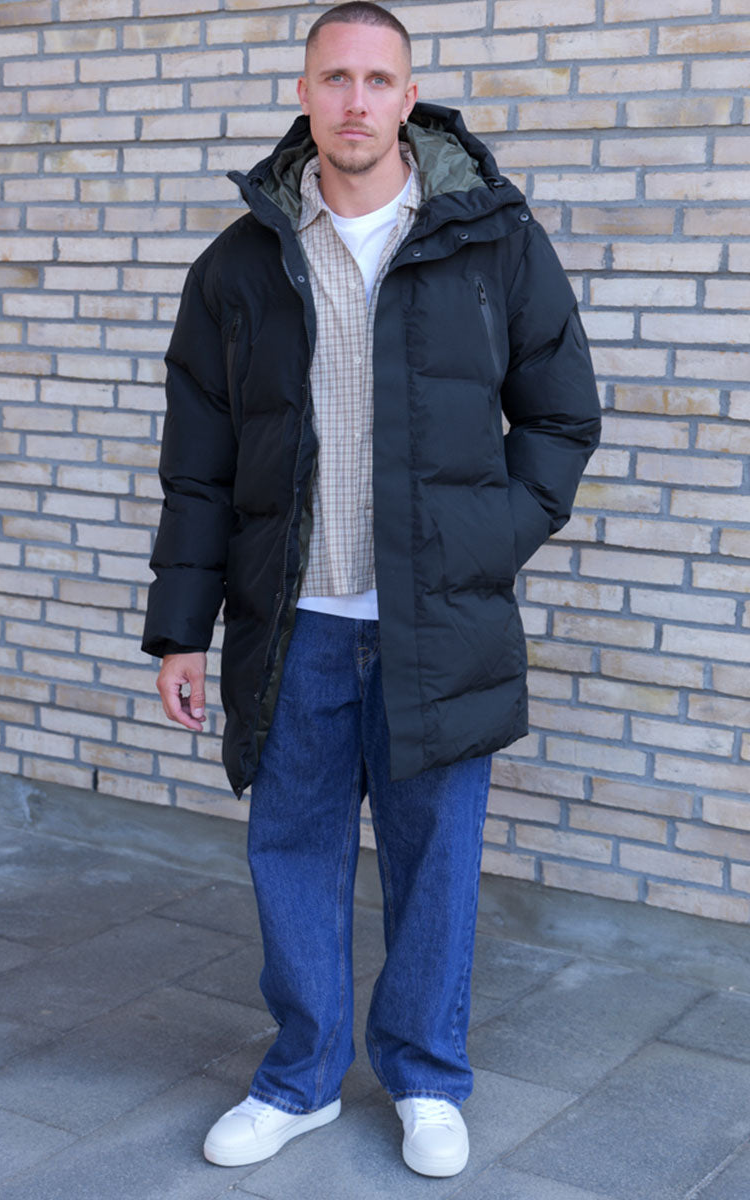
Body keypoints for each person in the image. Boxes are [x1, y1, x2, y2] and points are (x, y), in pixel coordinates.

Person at [142, 1, 600, 1179]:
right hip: (292, 624)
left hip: (435, 626)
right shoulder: (240, 263)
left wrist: (478, 542)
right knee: (290, 852)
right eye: (334, 78)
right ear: (304, 94)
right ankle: (297, 1079)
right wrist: (181, 631)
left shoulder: (490, 240)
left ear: (408, 96)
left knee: (432, 862)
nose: (355, 101)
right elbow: (197, 467)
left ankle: (425, 1077)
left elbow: (559, 418)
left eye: (377, 79)